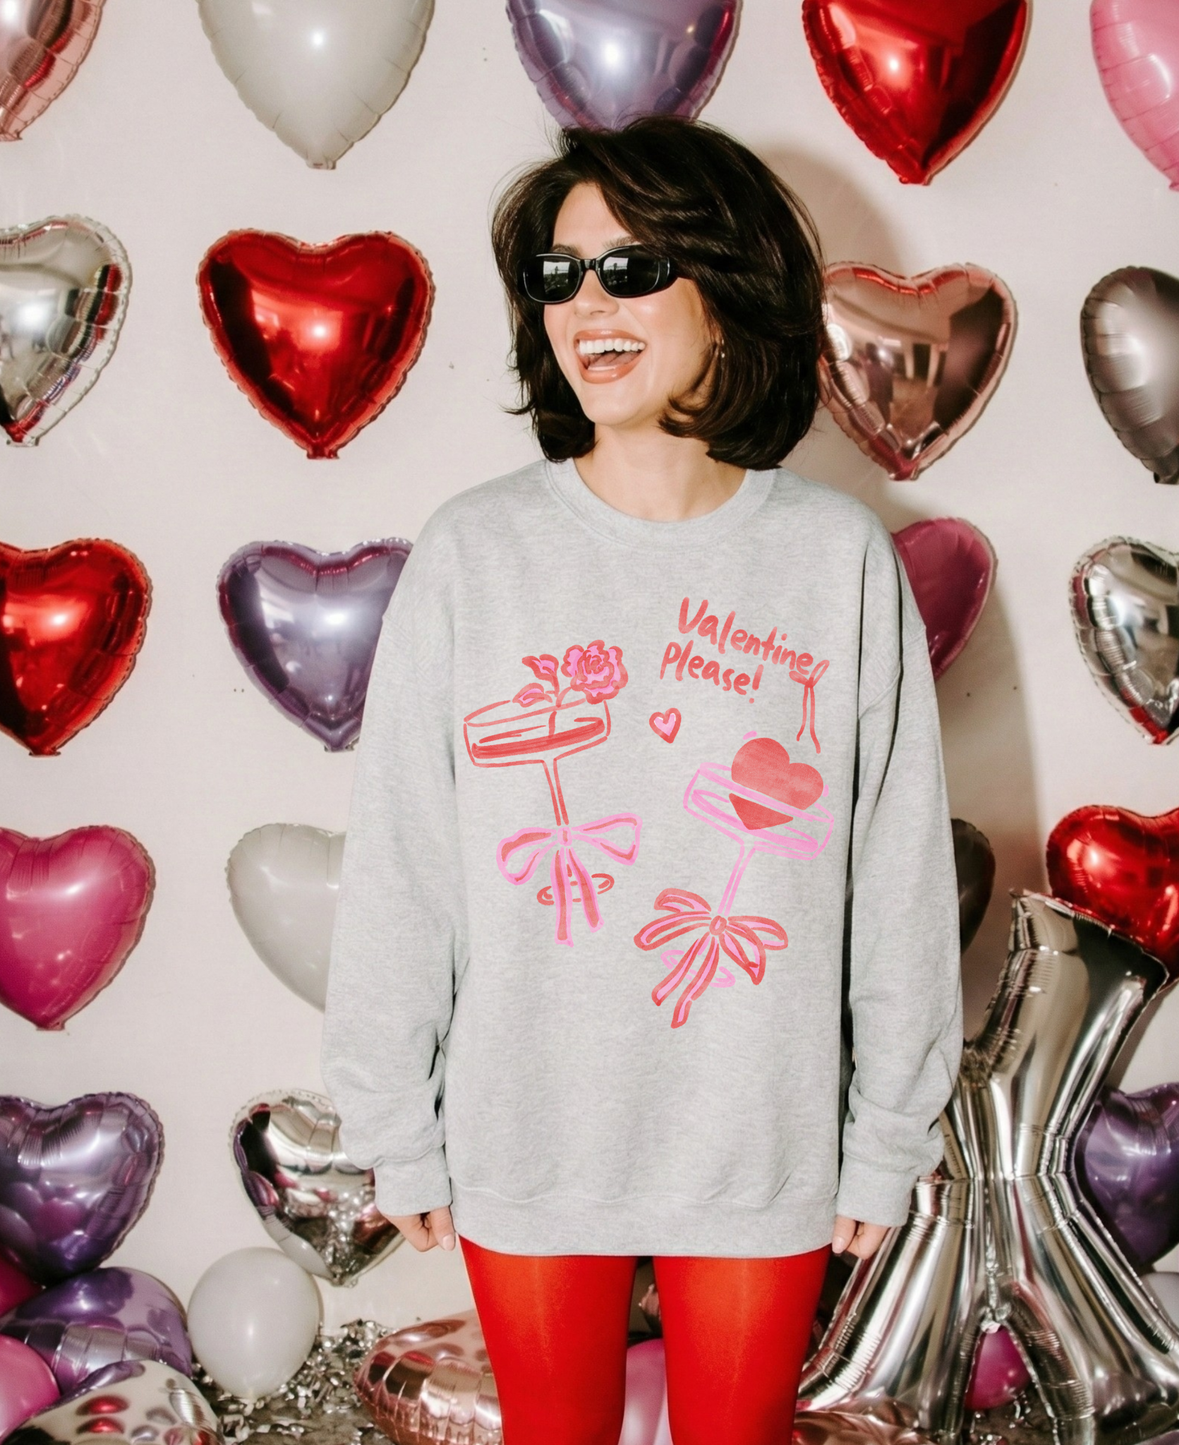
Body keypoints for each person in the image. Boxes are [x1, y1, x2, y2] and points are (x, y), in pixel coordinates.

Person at [320, 115, 963, 1445]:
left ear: (730, 289)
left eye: (631, 267)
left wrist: (888, 1130)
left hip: (760, 1131)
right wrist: (396, 1123)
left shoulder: (836, 561)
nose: (585, 305)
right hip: (530, 1129)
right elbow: (403, 859)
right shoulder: (475, 555)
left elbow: (895, 874)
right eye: (558, 276)